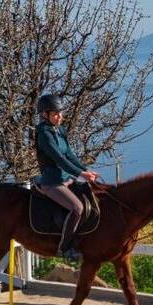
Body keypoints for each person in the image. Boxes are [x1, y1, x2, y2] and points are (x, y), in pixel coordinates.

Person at [34, 93, 100, 257]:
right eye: (56, 114)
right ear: (45, 115)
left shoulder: (59, 130)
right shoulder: (44, 135)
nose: (60, 116)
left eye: (60, 113)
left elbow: (69, 155)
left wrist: (86, 170)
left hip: (66, 179)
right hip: (52, 182)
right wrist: (81, 173)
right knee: (77, 208)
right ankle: (64, 248)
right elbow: (60, 159)